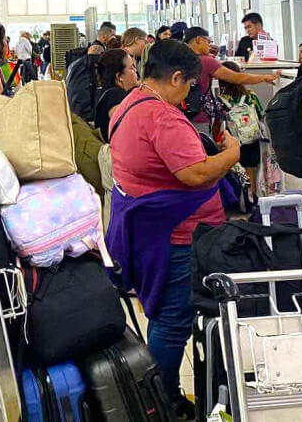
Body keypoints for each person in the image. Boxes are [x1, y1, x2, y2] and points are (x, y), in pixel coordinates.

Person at [107, 39, 239, 420]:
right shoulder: (161, 116)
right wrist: (230, 156)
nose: (189, 94)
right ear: (177, 76)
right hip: (178, 237)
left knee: (165, 316)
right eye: (189, 86)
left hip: (152, 232)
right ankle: (161, 403)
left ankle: (161, 395)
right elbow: (195, 173)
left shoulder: (129, 104)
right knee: (172, 320)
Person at [184, 27, 277, 134]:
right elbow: (237, 78)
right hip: (199, 116)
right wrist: (264, 77)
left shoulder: (179, 58)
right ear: (198, 40)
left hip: (181, 114)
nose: (209, 45)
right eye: (208, 41)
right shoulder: (206, 61)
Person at [218, 60, 266, 193]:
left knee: (234, 170)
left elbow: (217, 124)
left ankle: (238, 201)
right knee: (251, 170)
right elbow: (260, 115)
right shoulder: (251, 96)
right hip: (251, 138)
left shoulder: (220, 100)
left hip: (232, 140)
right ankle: (252, 199)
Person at [93, 49, 139, 142]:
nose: (135, 70)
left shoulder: (104, 92)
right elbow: (127, 126)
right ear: (119, 76)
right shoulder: (115, 95)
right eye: (131, 67)